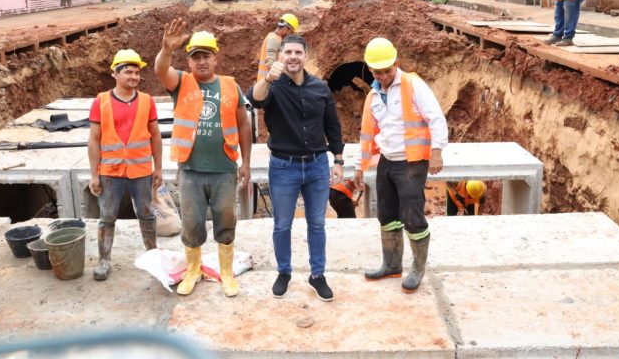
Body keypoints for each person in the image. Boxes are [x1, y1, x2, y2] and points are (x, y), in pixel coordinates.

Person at [154, 18, 252, 297]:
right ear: (190, 62)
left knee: (225, 219)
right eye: (195, 57)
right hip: (191, 169)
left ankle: (226, 272)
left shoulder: (231, 86)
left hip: (223, 168)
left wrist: (245, 162)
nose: (201, 62)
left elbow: (244, 124)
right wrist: (166, 48)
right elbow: (161, 69)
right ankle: (193, 270)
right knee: (192, 223)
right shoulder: (182, 83)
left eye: (206, 56)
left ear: (215, 58)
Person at [248, 34, 344, 302]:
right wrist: (267, 78)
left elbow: (332, 126)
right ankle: (284, 272)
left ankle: (317, 275)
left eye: (297, 52)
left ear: (306, 56)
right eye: (287, 52)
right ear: (280, 56)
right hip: (283, 167)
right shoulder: (273, 87)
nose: (292, 57)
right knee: (282, 224)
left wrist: (337, 160)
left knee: (317, 224)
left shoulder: (320, 88)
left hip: (316, 166)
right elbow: (254, 100)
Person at [353, 37, 448, 293]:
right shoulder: (373, 95)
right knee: (386, 214)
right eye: (377, 72)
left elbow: (436, 118)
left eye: (387, 70)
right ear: (370, 69)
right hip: (387, 160)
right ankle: (392, 264)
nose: (383, 76)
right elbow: (367, 135)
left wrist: (436, 152)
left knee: (412, 215)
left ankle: (417, 268)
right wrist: (360, 167)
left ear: (396, 63)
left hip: (412, 162)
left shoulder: (412, 85)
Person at [88, 49, 162, 281]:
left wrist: (158, 168)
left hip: (140, 171)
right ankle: (104, 261)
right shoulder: (101, 101)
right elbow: (94, 139)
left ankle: (152, 256)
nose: (133, 76)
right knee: (107, 216)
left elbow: (155, 135)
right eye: (128, 72)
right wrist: (94, 174)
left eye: (137, 72)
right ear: (115, 74)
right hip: (110, 171)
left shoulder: (147, 101)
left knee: (147, 213)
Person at [256, 13, 299, 82]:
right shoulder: (274, 39)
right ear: (285, 28)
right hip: (267, 84)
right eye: (291, 31)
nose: (291, 34)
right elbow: (270, 63)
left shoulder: (277, 38)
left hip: (268, 82)